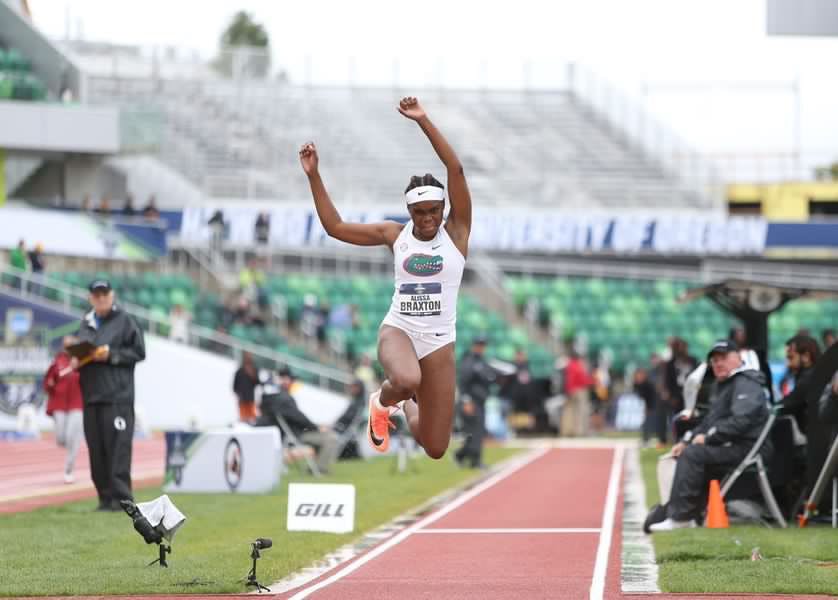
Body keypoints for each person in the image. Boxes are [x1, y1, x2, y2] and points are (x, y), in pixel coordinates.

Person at [299, 96, 471, 459]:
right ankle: (383, 401)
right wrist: (314, 177)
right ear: (409, 210)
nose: (427, 219)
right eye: (419, 212)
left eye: (434, 211)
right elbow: (335, 227)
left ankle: (400, 406)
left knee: (436, 446)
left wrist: (424, 121)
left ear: (444, 209)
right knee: (407, 380)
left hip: (440, 341)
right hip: (400, 330)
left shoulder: (456, 233)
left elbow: (455, 171)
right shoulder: (395, 235)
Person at [649, 339, 769, 531]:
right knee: (685, 451)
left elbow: (741, 422)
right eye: (714, 360)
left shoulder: (746, 383)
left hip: (747, 448)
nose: (718, 364)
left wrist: (708, 438)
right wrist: (686, 440)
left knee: (693, 454)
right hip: (733, 445)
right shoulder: (726, 385)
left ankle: (681, 518)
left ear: (738, 358)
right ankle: (682, 513)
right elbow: (708, 422)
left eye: (723, 358)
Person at [74, 279, 146, 511]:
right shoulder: (85, 324)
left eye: (105, 294)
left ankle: (123, 500)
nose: (101, 298)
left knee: (118, 449)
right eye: (97, 294)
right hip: (92, 396)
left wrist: (111, 355)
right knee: (97, 450)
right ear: (90, 298)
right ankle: (105, 498)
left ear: (112, 295)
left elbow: (139, 351)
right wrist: (77, 360)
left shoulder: (125, 321)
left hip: (118, 397)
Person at [257, 366, 340, 474]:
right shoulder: (284, 398)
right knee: (331, 437)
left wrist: (315, 426)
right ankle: (319, 469)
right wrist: (317, 428)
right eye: (292, 380)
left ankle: (316, 468)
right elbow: (299, 418)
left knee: (326, 434)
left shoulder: (271, 398)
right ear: (285, 380)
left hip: (291, 432)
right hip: (297, 434)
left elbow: (298, 418)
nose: (293, 383)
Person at [44, 336, 84, 483]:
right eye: (66, 346)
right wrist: (49, 384)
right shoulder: (57, 362)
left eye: (72, 346)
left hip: (77, 404)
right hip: (59, 403)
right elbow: (48, 382)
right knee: (62, 438)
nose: (68, 348)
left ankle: (69, 469)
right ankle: (74, 441)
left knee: (73, 435)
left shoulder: (83, 362)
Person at [455, 336, 495, 468]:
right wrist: (466, 401)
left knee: (476, 432)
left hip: (480, 401)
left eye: (483, 345)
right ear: (474, 345)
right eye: (479, 345)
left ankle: (461, 455)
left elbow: (489, 378)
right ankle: (474, 460)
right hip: (471, 402)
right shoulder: (469, 361)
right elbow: (463, 383)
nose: (481, 347)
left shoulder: (482, 361)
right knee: (475, 432)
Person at [562, 350, 594, 437]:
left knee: (569, 411)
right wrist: (592, 381)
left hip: (571, 390)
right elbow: (583, 380)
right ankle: (579, 432)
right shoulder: (578, 366)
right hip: (579, 391)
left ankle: (568, 431)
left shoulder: (570, 365)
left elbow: (569, 379)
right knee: (580, 412)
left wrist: (568, 390)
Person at [233, 351, 259, 422]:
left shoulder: (254, 370)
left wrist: (252, 375)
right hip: (242, 398)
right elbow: (235, 385)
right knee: (243, 417)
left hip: (250, 397)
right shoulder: (239, 371)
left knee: (252, 416)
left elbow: (257, 382)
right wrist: (238, 393)